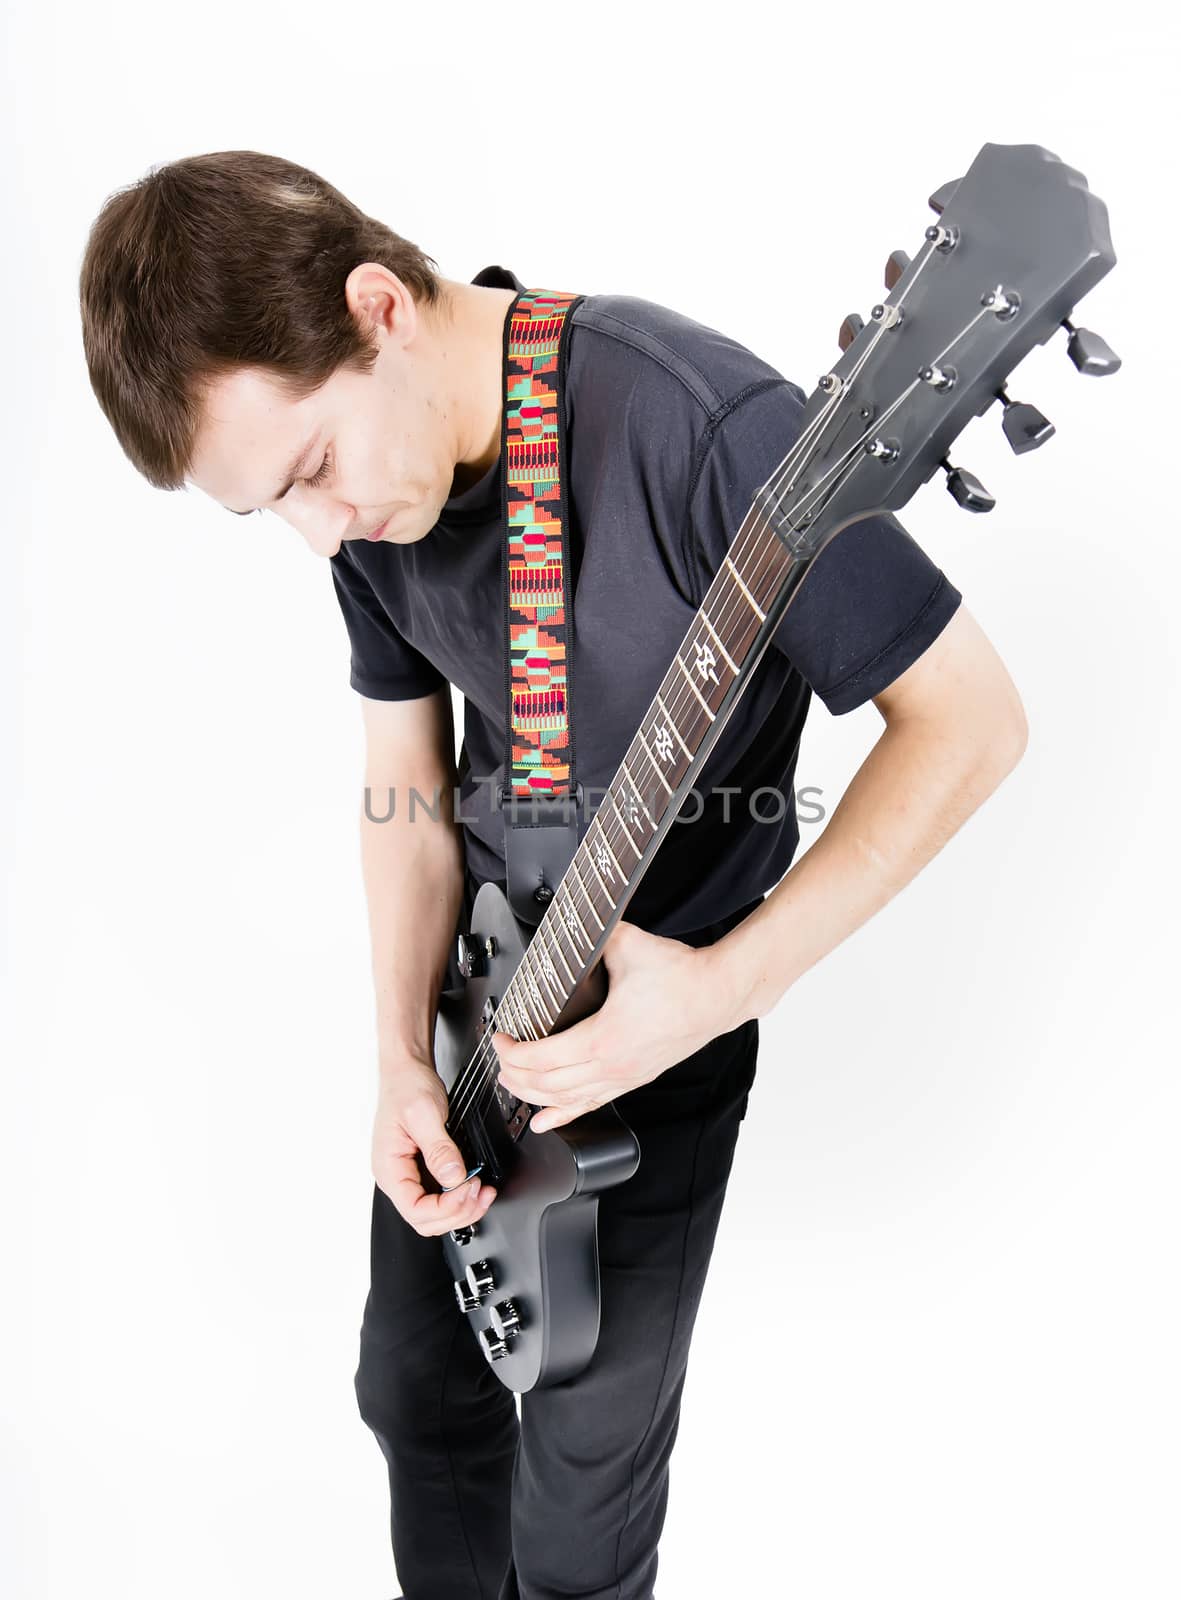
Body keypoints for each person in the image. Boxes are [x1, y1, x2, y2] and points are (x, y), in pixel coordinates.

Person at [79, 151, 1028, 1600]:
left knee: (580, 1529)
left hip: (656, 1044)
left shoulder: (705, 425)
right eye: (266, 506)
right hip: (476, 1018)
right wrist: (400, 1056)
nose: (319, 531)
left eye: (313, 469)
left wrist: (713, 993)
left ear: (379, 306)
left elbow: (970, 722)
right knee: (413, 1400)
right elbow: (405, 795)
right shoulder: (372, 501)